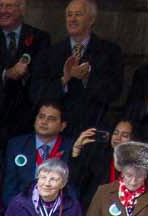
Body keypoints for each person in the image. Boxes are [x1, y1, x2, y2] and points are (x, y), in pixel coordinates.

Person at [30, 0, 117, 140]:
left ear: (91, 19)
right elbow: (36, 92)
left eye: (78, 14)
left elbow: (114, 92)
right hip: (58, 131)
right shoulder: (50, 53)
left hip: (93, 128)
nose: (72, 19)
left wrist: (87, 78)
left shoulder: (109, 52)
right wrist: (64, 80)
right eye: (69, 15)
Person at [0, 0, 45, 130]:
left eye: (8, 6)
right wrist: (5, 73)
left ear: (22, 10)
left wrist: (25, 74)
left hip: (25, 116)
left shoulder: (40, 38)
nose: (2, 10)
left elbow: (42, 76)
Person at [0, 98, 65, 201]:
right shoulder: (17, 145)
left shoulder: (69, 147)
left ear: (62, 126)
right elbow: (9, 187)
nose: (44, 122)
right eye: (41, 117)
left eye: (51, 119)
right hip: (21, 208)